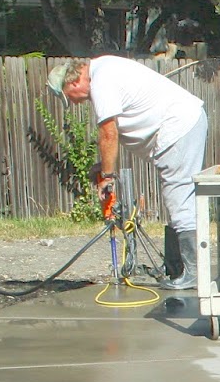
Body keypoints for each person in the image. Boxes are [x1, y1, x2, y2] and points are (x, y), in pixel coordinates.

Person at [47, 57, 208, 290]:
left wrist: (108, 177)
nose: (74, 102)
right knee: (177, 200)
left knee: (180, 199)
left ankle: (194, 274)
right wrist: (103, 166)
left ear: (73, 84)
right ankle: (176, 267)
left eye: (69, 97)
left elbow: (108, 133)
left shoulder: (101, 81)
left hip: (179, 127)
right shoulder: (104, 69)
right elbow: (116, 129)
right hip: (184, 123)